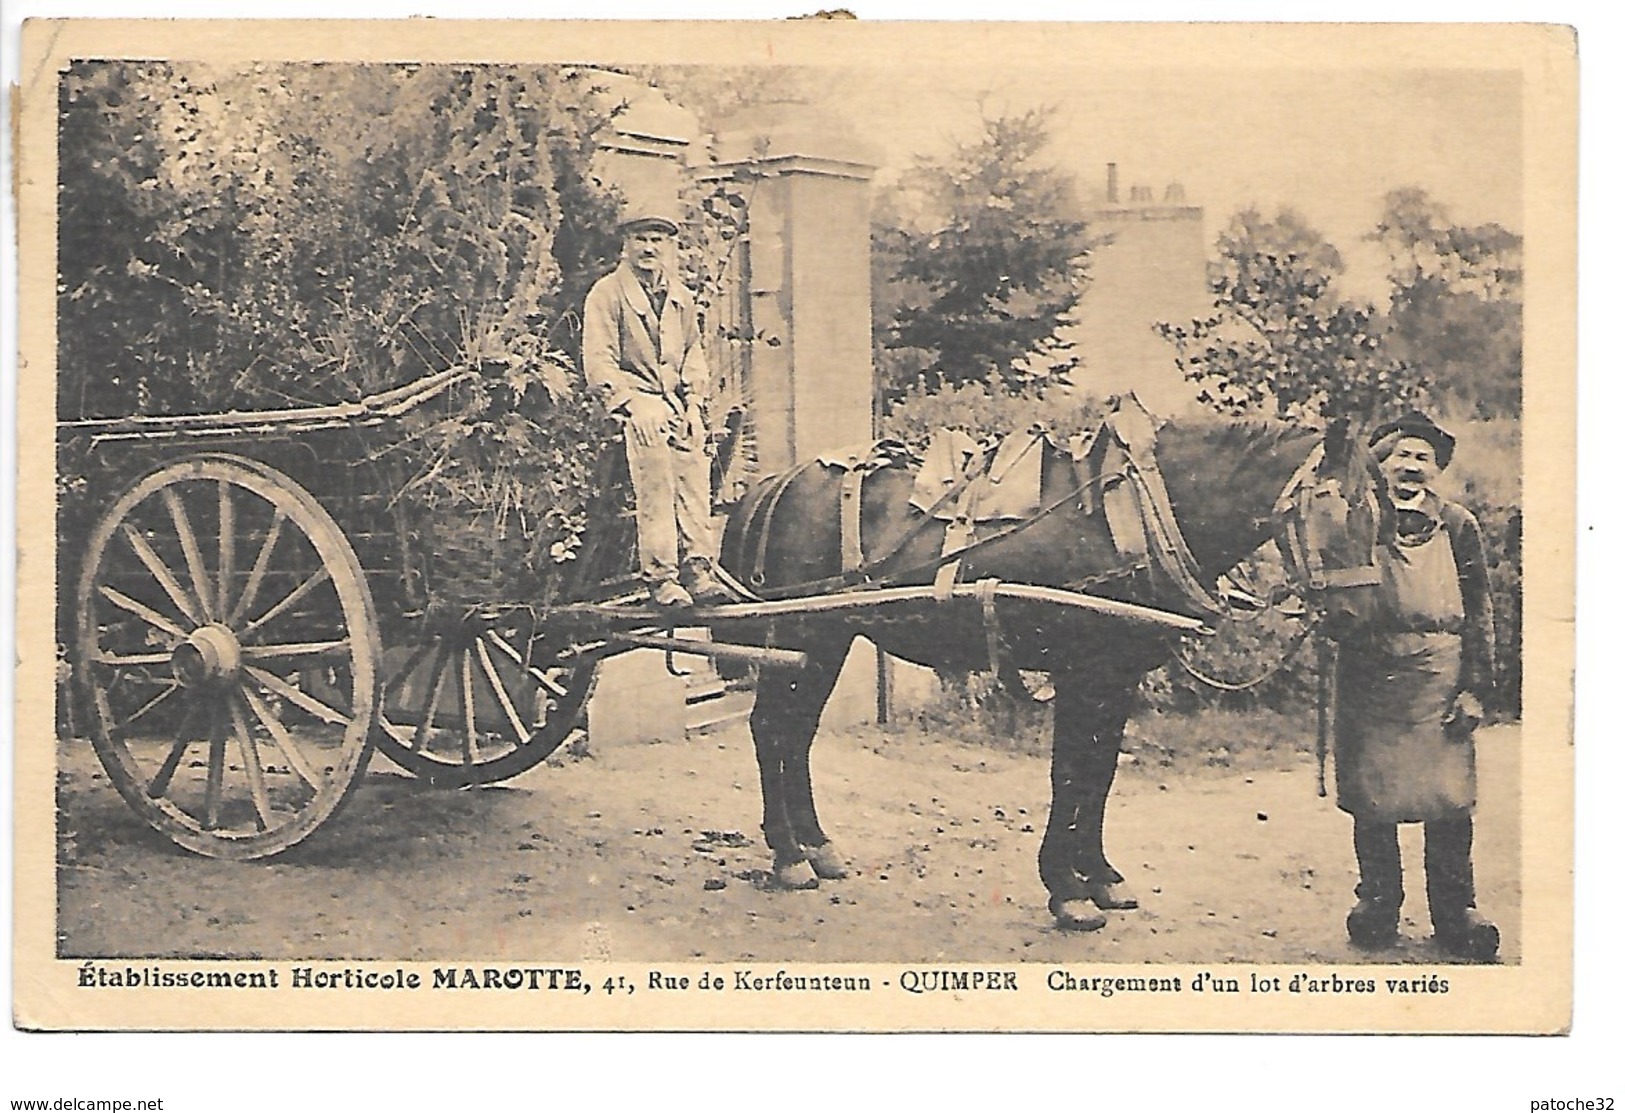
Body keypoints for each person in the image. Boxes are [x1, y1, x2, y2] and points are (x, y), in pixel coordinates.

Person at [1335, 410, 1500, 961]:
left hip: (1439, 674)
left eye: (1421, 458)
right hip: (1370, 672)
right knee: (1372, 796)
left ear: (1436, 470)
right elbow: (1333, 590)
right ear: (1380, 468)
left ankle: (1457, 913)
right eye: (1399, 455)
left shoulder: (1458, 524)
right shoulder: (1356, 523)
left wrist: (1476, 688)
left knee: (1448, 798)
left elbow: (1479, 608)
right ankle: (1377, 904)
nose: (1410, 466)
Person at [582, 208, 726, 608]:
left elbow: (694, 352)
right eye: (641, 239)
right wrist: (631, 404)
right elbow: (599, 363)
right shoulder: (607, 294)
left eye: (657, 240)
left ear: (669, 246)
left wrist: (695, 403)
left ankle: (698, 567)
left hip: (676, 401)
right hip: (633, 402)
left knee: (695, 469)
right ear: (625, 244)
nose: (649, 248)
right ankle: (662, 576)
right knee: (657, 471)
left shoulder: (679, 296)